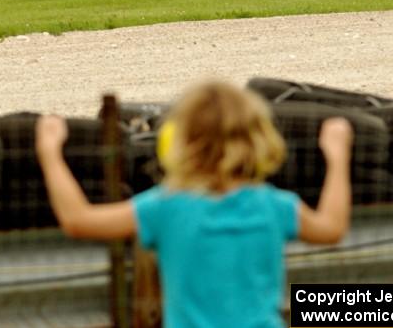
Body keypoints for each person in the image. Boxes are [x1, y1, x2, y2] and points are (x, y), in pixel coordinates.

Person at [36, 81, 353, 328]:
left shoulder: (166, 206)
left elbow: (77, 219)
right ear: (258, 137)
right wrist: (337, 155)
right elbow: (332, 227)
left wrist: (50, 153)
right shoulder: (275, 205)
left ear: (181, 141)